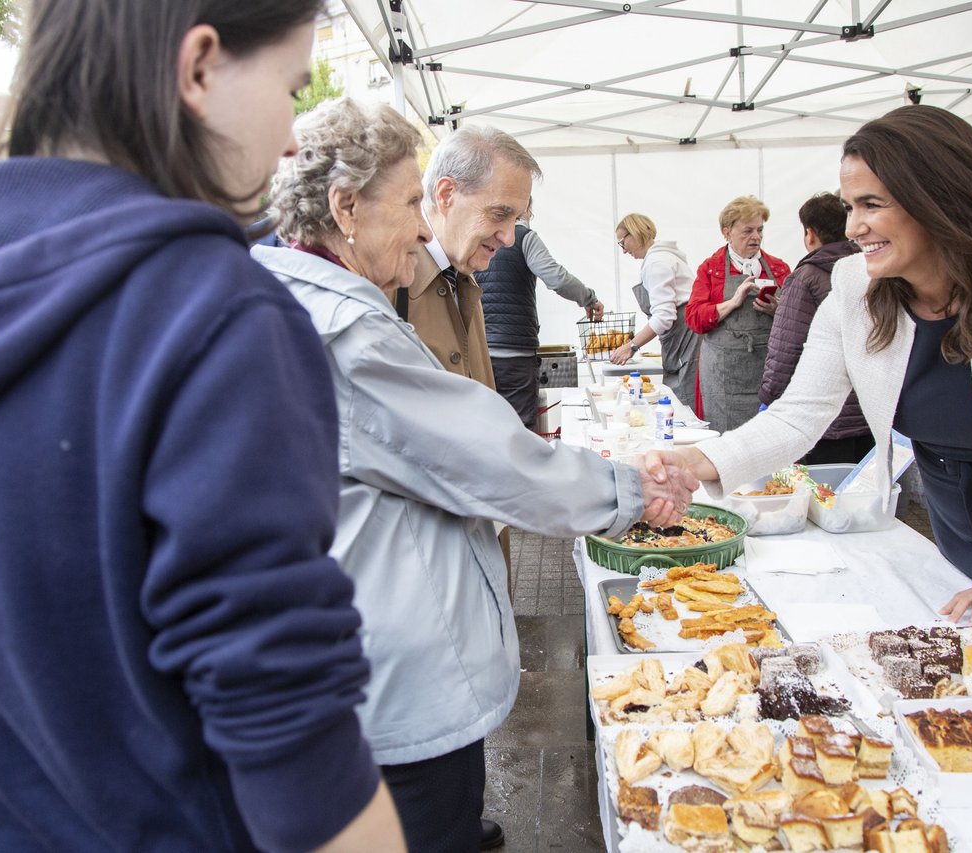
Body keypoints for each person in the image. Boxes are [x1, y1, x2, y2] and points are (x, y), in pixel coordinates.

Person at [0, 3, 403, 852]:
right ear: (199, 67)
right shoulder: (213, 310)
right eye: (291, 87)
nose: (291, 141)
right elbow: (290, 734)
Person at [254, 98, 698, 853]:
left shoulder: (288, 292)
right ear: (345, 207)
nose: (424, 224)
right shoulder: (349, 326)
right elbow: (486, 455)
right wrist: (627, 490)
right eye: (407, 203)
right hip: (392, 669)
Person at [672, 105, 972, 635]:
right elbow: (799, 415)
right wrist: (696, 461)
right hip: (950, 513)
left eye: (872, 204)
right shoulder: (853, 285)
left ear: (942, 198)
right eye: (849, 206)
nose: (853, 227)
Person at [396, 125, 538, 392]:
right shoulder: (390, 279)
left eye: (516, 219)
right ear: (446, 194)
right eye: (499, 214)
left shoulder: (462, 275)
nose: (509, 238)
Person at [759, 192, 871, 465]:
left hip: (826, 415)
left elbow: (786, 347)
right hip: (870, 410)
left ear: (810, 233)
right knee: (865, 498)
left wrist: (769, 397)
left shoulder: (806, 276)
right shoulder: (869, 267)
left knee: (823, 498)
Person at [475, 197, 605, 428]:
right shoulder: (524, 237)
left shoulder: (478, 238)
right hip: (515, 354)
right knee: (521, 429)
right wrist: (589, 298)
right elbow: (557, 279)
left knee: (487, 427)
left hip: (480, 354)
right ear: (526, 211)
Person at [685, 195, 791, 433]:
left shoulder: (778, 268)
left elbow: (798, 319)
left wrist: (778, 310)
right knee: (725, 439)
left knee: (767, 436)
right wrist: (732, 303)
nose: (756, 237)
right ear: (727, 232)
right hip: (722, 375)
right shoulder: (710, 269)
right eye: (747, 231)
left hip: (766, 371)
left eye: (760, 230)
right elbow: (694, 318)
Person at [609, 213, 700, 408]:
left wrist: (631, 346)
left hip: (686, 341)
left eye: (622, 242)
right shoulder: (662, 257)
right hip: (682, 340)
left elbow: (664, 317)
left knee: (683, 406)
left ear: (634, 233)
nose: (623, 250)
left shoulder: (657, 262)